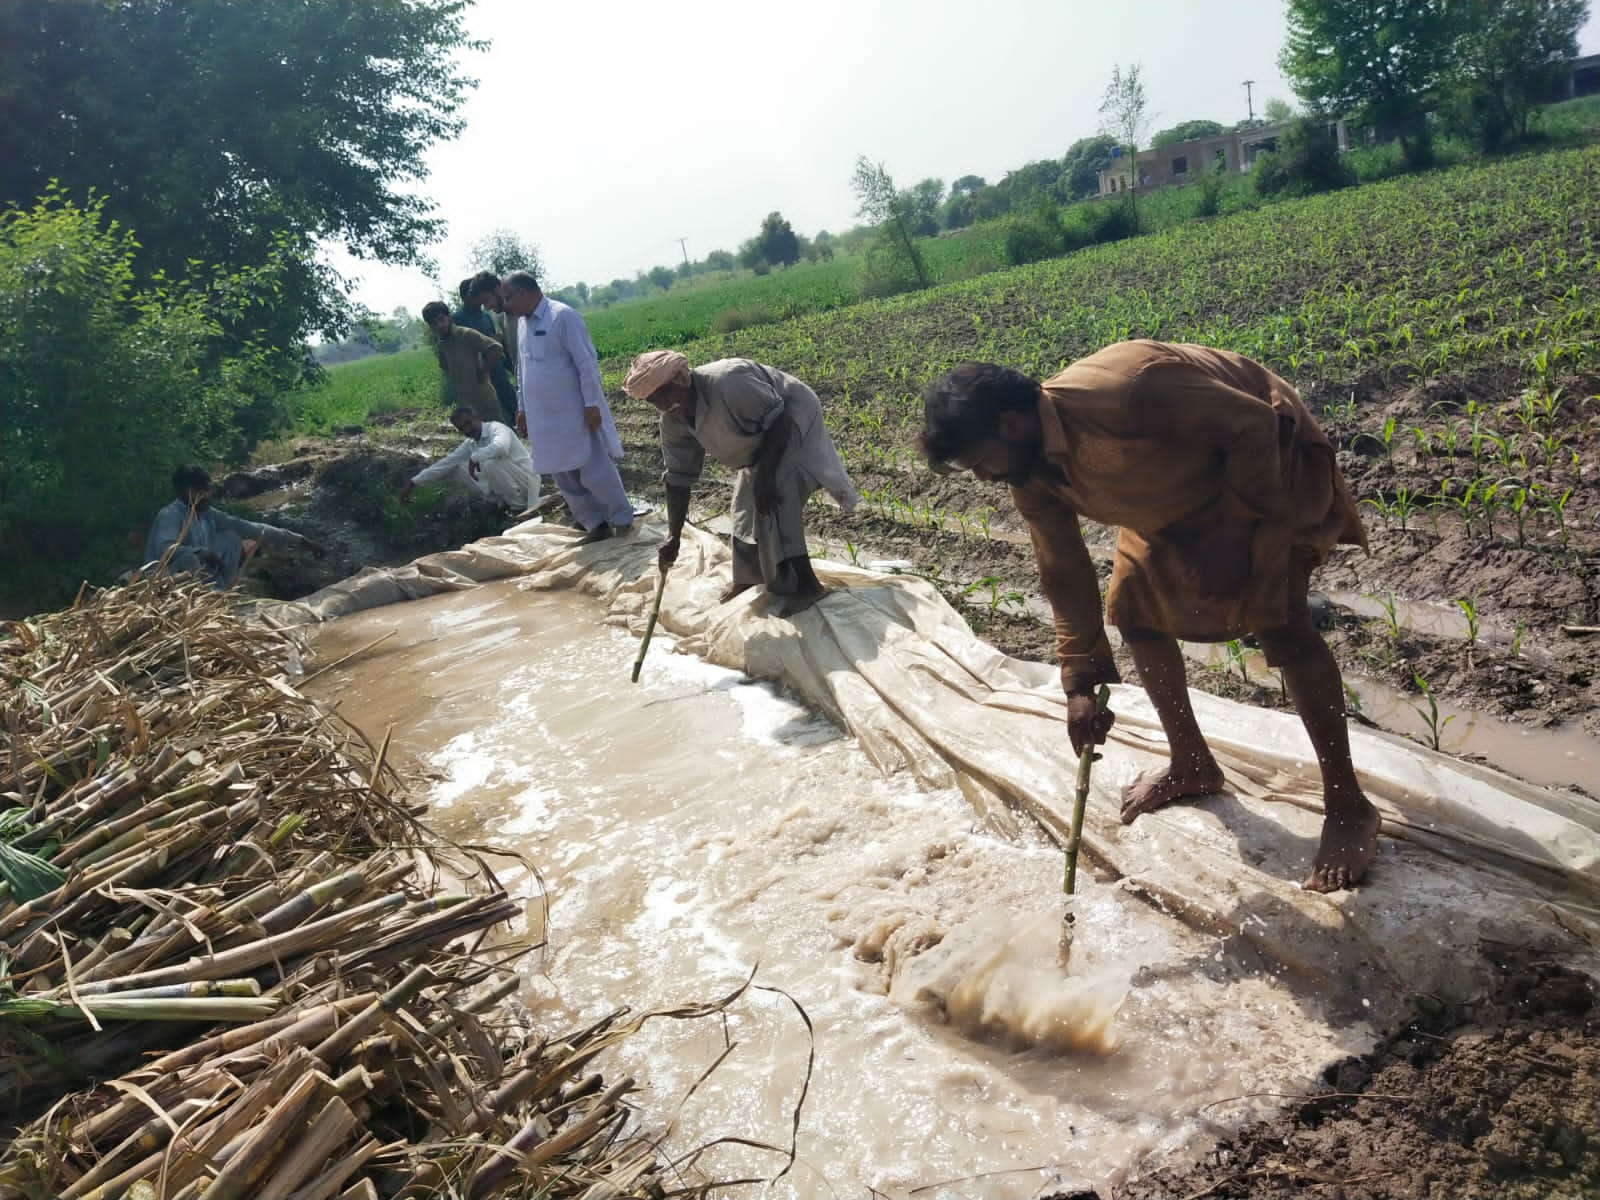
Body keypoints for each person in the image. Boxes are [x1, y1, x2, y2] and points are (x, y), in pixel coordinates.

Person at [917, 340, 1376, 893]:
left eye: (980, 462)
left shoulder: (1129, 391)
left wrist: (1235, 535)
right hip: (1174, 496)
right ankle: (1191, 762)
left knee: (1280, 623)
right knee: (1134, 607)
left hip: (1266, 467)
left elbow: (1254, 424)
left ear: (1011, 424)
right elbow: (1063, 571)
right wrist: (1078, 682)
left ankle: (1349, 805)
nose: (982, 477)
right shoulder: (1029, 473)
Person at [622, 351, 858, 613]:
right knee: (743, 508)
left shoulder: (729, 382)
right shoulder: (673, 421)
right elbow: (678, 478)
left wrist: (765, 478)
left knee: (776, 499)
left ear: (682, 379)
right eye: (654, 400)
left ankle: (809, 586)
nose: (664, 404)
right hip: (759, 437)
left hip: (792, 418)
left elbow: (781, 420)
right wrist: (673, 537)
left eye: (666, 393)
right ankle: (747, 576)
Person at [498, 270, 633, 544]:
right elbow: (522, 369)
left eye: (507, 298)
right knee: (563, 474)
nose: (505, 305)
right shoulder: (521, 324)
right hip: (542, 417)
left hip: (573, 411)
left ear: (523, 292)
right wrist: (522, 408)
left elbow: (586, 363)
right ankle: (595, 524)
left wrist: (592, 404)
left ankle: (622, 519)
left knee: (594, 469)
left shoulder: (562, 316)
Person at [144, 465, 325, 589]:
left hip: (198, 576)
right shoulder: (170, 515)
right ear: (182, 492)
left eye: (206, 490)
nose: (206, 495)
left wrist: (302, 541)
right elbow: (165, 550)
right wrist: (202, 553)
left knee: (230, 538)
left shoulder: (208, 514)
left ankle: (221, 590)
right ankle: (202, 596)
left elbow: (252, 528)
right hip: (168, 580)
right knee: (189, 558)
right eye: (200, 490)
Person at [400, 405, 541, 512]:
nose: (467, 430)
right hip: (510, 485)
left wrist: (475, 458)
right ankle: (500, 503)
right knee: (457, 468)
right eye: (462, 428)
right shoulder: (470, 443)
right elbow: (445, 464)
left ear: (477, 417)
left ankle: (518, 507)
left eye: (468, 423)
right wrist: (413, 483)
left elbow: (501, 448)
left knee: (491, 464)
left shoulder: (496, 428)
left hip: (527, 481)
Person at [423, 300, 503, 425]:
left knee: (498, 433)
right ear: (431, 326)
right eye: (434, 323)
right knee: (476, 435)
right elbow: (446, 368)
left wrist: (483, 371)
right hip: (466, 405)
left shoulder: (466, 334)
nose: (440, 325)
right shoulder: (441, 346)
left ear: (449, 317)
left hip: (484, 398)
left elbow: (496, 348)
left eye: (441, 319)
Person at [456, 272, 518, 423]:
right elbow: (462, 352)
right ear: (464, 297)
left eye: (484, 299)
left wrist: (510, 366)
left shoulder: (486, 317)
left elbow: (499, 347)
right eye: (477, 298)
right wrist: (490, 342)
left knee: (514, 406)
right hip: (482, 375)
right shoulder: (457, 320)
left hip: (498, 370)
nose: (482, 303)